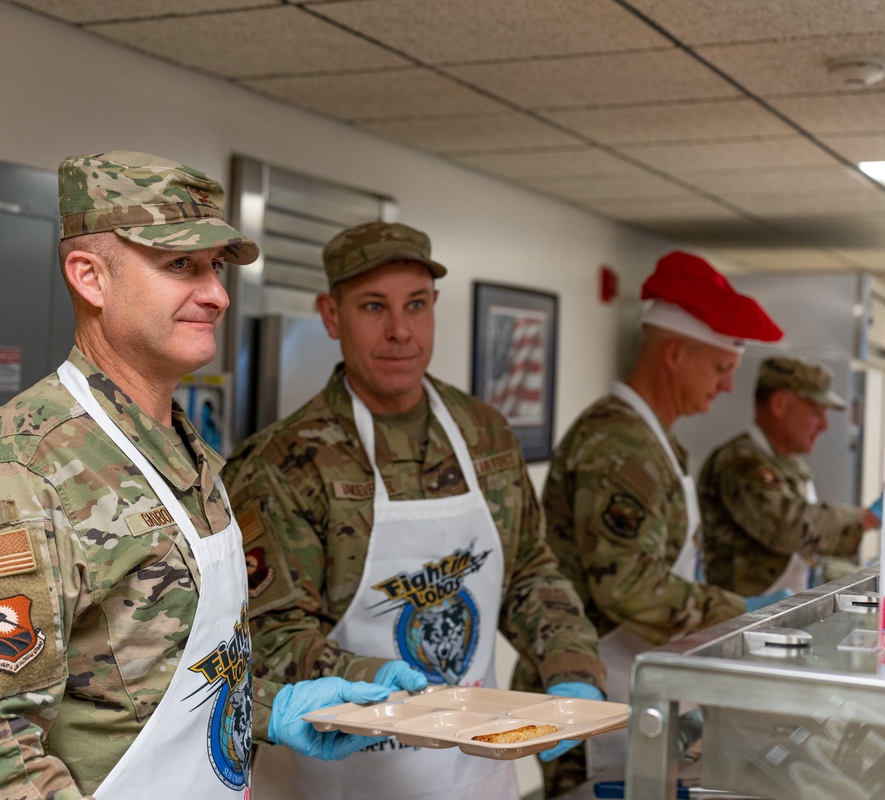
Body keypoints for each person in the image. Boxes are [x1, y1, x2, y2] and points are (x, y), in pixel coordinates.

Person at [0, 151, 424, 799]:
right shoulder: (22, 472)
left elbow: (147, 682)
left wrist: (269, 708)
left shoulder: (184, 452)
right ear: (90, 277)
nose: (217, 294)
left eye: (215, 268)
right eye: (181, 265)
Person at [222, 221, 606, 800]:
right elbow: (271, 636)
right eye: (374, 307)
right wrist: (379, 684)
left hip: (477, 774)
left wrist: (572, 664)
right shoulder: (285, 463)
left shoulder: (484, 435)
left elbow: (529, 570)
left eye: (416, 305)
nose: (400, 331)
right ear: (331, 315)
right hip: (343, 776)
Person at [540, 250, 788, 778]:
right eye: (722, 369)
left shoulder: (654, 441)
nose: (726, 386)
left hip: (640, 677)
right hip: (595, 689)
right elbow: (626, 585)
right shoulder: (619, 446)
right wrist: (738, 610)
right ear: (674, 354)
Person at [698, 355, 880, 596]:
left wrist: (864, 579)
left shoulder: (790, 465)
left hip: (780, 616)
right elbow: (788, 527)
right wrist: (866, 518)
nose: (824, 426)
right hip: (741, 621)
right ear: (779, 404)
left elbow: (804, 557)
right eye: (816, 413)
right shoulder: (740, 463)